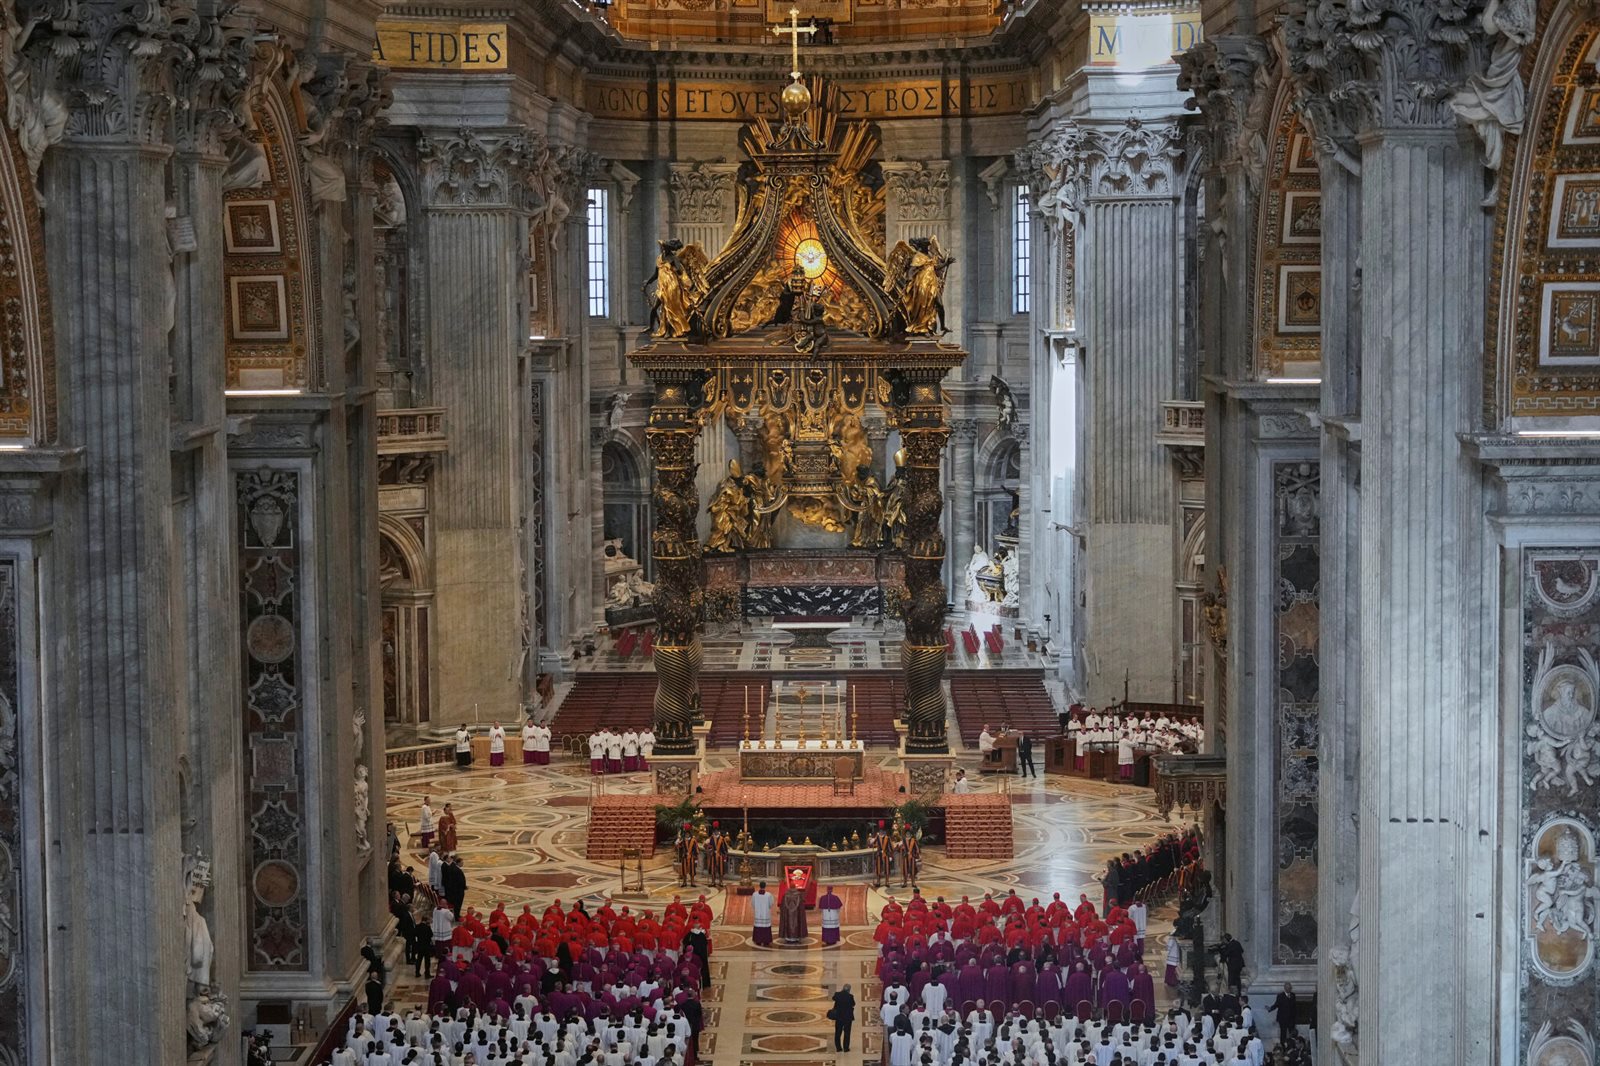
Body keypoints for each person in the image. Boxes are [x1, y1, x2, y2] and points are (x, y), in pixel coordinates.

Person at [779, 880, 808, 944]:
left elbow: (782, 906)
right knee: (797, 921)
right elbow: (801, 907)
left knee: (788, 921)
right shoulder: (799, 895)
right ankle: (796, 937)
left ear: (789, 887)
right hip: (796, 914)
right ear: (795, 887)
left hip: (788, 914)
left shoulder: (785, 895)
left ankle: (788, 937)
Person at [832, 983, 856, 1052]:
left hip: (839, 1017)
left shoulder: (837, 994)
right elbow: (853, 1004)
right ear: (849, 990)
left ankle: (838, 1048)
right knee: (847, 1033)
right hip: (847, 1017)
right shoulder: (850, 996)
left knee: (838, 1033)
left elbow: (833, 998)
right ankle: (846, 1048)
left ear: (843, 988)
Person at [751, 881, 775, 947]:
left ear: (760, 886)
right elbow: (771, 904)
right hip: (765, 914)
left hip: (758, 914)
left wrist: (757, 908)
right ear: (765, 886)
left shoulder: (755, 894)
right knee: (765, 927)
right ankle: (766, 941)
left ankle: (758, 940)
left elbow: (753, 903)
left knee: (758, 926)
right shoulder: (768, 895)